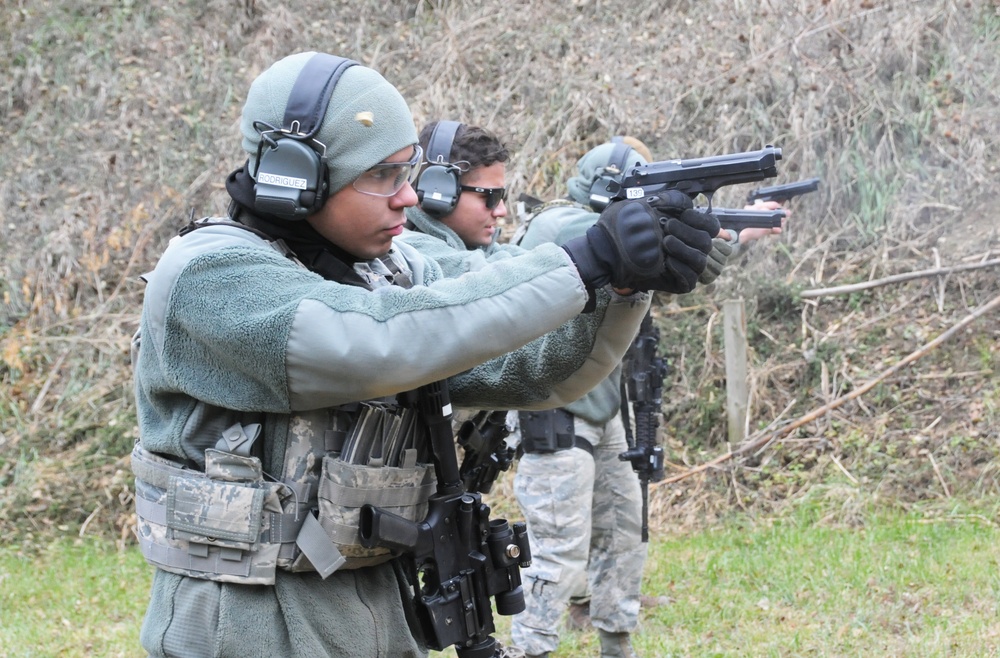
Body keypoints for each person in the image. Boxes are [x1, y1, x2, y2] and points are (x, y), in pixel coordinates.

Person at [129, 52, 722, 658]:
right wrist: (585, 260)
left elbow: (532, 364)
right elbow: (382, 341)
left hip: (374, 613)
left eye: (407, 171)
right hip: (240, 625)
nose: (409, 197)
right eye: (382, 176)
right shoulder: (209, 277)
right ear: (296, 172)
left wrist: (625, 284)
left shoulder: (389, 269)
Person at [509, 139, 787, 658]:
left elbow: (663, 251)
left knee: (624, 535)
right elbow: (609, 243)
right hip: (556, 411)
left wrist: (734, 229)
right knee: (555, 553)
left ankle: (616, 642)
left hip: (606, 409)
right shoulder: (557, 223)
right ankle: (530, 649)